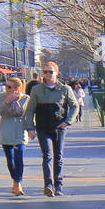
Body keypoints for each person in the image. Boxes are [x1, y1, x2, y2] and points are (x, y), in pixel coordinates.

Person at [24, 61, 79, 197]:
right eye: (45, 71)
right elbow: (30, 110)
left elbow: (74, 106)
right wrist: (30, 128)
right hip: (43, 126)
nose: (47, 74)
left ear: (56, 73)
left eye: (50, 71)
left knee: (58, 156)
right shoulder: (37, 90)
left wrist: (68, 121)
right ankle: (48, 185)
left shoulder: (65, 89)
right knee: (47, 155)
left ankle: (58, 185)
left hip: (59, 127)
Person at [0, 76, 30, 196]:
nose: (6, 88)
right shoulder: (1, 97)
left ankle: (18, 182)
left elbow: (26, 114)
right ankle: (15, 179)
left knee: (19, 158)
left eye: (9, 87)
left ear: (17, 88)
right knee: (11, 160)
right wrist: (6, 102)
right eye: (6, 86)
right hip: (6, 132)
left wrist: (31, 129)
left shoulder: (26, 98)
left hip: (20, 132)